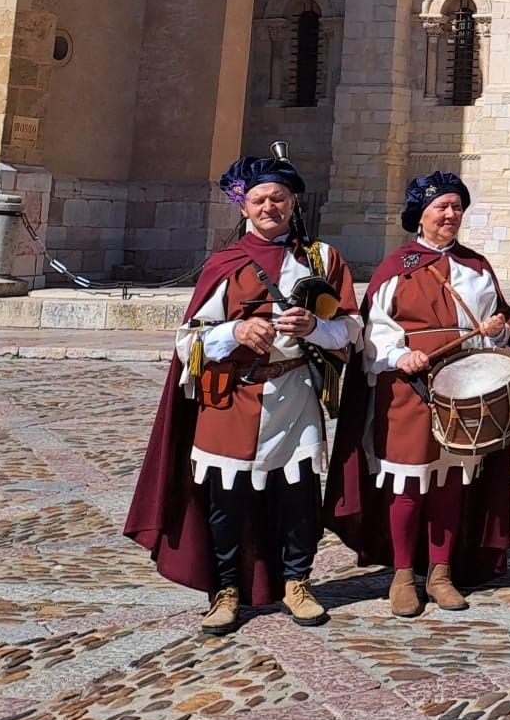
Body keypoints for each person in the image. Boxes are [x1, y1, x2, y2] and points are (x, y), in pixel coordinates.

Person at [125, 155, 359, 636]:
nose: (269, 206)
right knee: (224, 500)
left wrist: (315, 326)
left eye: (278, 198)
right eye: (259, 199)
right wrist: (235, 330)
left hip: (294, 396)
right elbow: (188, 340)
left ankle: (297, 582)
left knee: (298, 498)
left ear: (294, 204)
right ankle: (226, 590)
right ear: (244, 208)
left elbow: (351, 330)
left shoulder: (322, 259)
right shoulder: (224, 264)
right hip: (231, 399)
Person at [326, 173, 510, 616]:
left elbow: (496, 320)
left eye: (456, 207)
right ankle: (403, 574)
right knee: (408, 482)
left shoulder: (477, 267)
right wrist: (399, 354)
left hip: (463, 390)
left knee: (451, 481)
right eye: (441, 207)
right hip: (408, 392)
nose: (450, 216)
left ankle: (442, 572)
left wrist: (497, 327)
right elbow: (374, 333)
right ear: (421, 214)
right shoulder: (396, 268)